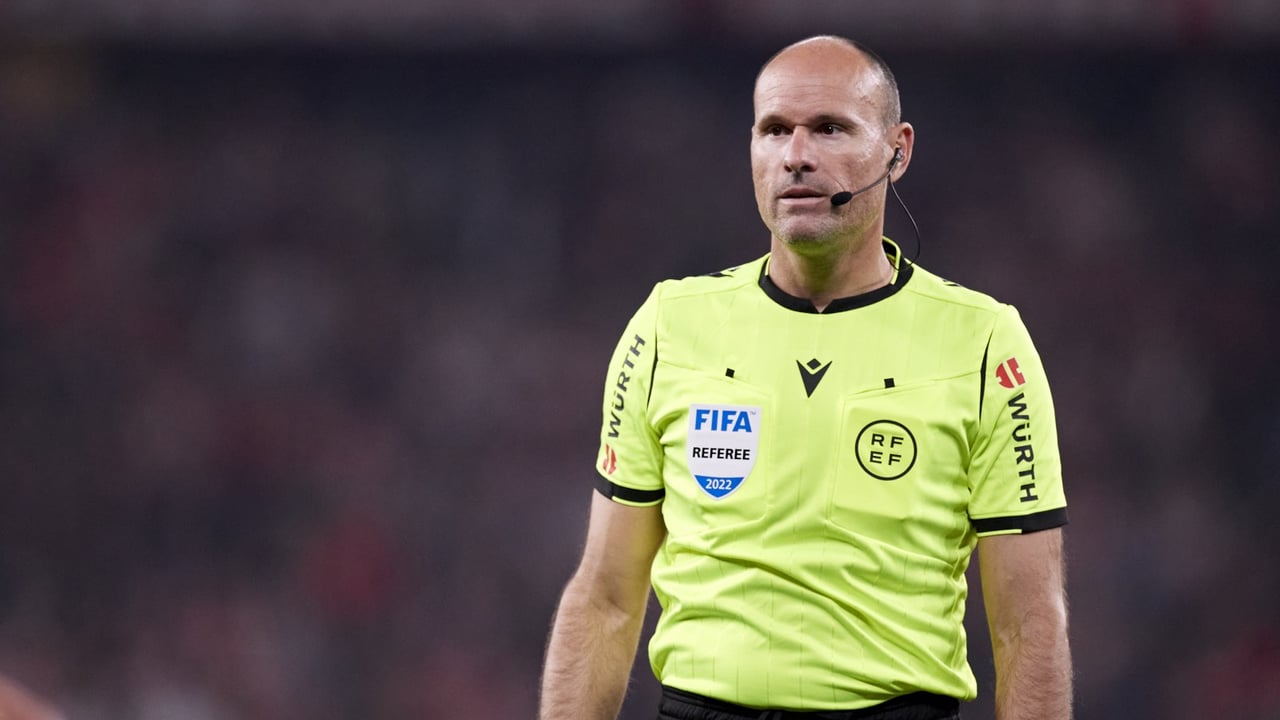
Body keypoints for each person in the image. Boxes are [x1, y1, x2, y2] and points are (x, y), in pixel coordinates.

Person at [540, 35, 1071, 720]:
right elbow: (606, 599)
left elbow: (1028, 623)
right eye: (774, 130)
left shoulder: (985, 343)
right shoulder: (669, 325)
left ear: (898, 151)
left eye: (829, 128)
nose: (796, 155)